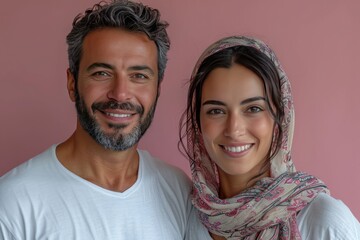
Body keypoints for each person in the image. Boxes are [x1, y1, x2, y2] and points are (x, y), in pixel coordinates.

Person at [0, 1, 210, 239]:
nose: (120, 93)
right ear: (72, 83)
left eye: (138, 76)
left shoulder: (177, 189)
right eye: (102, 73)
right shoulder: (13, 204)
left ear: (157, 88)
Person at [179, 36, 360, 239]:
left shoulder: (323, 222)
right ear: (197, 123)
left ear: (280, 117)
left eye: (253, 108)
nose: (234, 128)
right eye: (216, 111)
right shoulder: (185, 218)